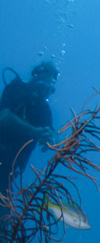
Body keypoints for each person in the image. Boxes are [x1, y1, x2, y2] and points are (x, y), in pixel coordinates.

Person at [0, 61, 59, 193]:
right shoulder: (15, 89)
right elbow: (4, 117)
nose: (44, 93)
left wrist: (52, 139)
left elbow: (53, 133)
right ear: (34, 79)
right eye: (41, 86)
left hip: (8, 173)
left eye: (49, 89)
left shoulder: (44, 110)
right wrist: (35, 132)